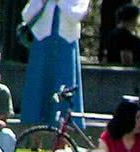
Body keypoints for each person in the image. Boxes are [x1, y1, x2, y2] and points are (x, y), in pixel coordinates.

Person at [20, 0, 89, 130]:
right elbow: (26, 15)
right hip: (42, 44)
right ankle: (35, 140)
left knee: (65, 87)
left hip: (66, 45)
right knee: (39, 87)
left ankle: (62, 140)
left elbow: (77, 15)